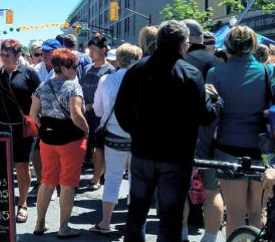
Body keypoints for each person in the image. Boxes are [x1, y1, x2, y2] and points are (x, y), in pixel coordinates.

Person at [115, 20, 222, 242]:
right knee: (170, 218)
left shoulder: (137, 69)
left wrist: (136, 133)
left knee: (137, 213)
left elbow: (121, 110)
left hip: (143, 152)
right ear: (183, 45)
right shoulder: (190, 74)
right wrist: (217, 101)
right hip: (175, 156)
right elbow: (206, 116)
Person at [207, 25, 270, 237]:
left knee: (234, 213)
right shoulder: (266, 71)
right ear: (253, 45)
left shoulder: (215, 73)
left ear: (227, 45)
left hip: (228, 148)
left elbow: (211, 112)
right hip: (262, 150)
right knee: (257, 212)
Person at [0, 39, 41, 224]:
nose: (5, 58)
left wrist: (36, 120)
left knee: (21, 166)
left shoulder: (30, 73)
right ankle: (1, 201)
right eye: (3, 55)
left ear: (19, 55)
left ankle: (23, 203)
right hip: (0, 126)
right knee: (0, 166)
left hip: (22, 128)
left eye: (9, 55)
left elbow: (39, 98)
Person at [30, 48, 88, 238]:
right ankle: (64, 228)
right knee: (67, 183)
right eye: (74, 66)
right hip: (70, 140)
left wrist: (43, 127)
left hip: (48, 139)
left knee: (47, 181)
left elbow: (32, 115)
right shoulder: (73, 86)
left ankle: (39, 223)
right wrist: (87, 131)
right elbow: (76, 115)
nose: (76, 70)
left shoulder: (43, 86)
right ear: (64, 67)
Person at [91, 43, 142, 234]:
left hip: (114, 134)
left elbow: (98, 110)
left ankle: (105, 222)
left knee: (112, 177)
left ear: (118, 60)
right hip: (138, 136)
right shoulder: (145, 79)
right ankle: (134, 224)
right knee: (137, 180)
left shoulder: (106, 79)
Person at [181, 20, 224, 242]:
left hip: (181, 135)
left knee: (179, 191)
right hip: (212, 135)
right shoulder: (217, 62)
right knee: (212, 189)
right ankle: (209, 238)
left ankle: (183, 235)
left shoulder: (178, 62)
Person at [80, 35, 115, 190]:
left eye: (94, 50)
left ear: (103, 50)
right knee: (86, 146)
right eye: (90, 49)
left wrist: (92, 105)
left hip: (101, 116)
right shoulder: (87, 68)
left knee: (98, 148)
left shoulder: (110, 70)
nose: (90, 52)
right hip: (85, 114)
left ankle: (97, 178)